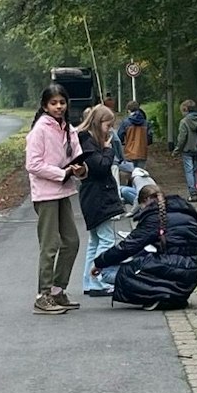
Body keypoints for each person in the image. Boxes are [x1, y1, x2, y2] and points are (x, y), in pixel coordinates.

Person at [24, 83, 88, 315]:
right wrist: (62, 173)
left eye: (62, 102)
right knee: (50, 245)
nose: (59, 106)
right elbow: (33, 165)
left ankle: (57, 290)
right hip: (46, 193)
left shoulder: (68, 128)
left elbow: (77, 156)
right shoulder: (40, 130)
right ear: (45, 106)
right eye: (54, 103)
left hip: (65, 191)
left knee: (71, 242)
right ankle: (43, 295)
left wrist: (80, 170)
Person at [91, 182, 197, 309]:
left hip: (173, 270)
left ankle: (159, 295)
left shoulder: (154, 217)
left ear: (146, 201)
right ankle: (172, 295)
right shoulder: (186, 213)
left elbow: (128, 247)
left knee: (107, 272)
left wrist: (100, 262)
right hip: (190, 273)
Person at [72, 104, 127, 296]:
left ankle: (89, 281)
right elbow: (102, 166)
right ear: (97, 123)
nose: (110, 130)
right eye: (108, 125)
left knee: (95, 240)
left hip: (93, 196)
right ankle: (98, 281)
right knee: (106, 240)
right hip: (98, 197)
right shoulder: (89, 142)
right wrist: (108, 149)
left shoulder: (86, 140)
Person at [114, 101, 152, 183]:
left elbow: (119, 137)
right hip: (142, 152)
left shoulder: (126, 122)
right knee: (141, 176)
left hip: (129, 152)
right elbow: (149, 138)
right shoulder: (146, 123)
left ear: (129, 110)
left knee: (130, 174)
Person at [174, 99, 197, 202]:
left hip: (187, 150)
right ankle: (196, 188)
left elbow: (182, 138)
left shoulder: (184, 122)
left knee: (189, 171)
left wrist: (177, 150)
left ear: (185, 109)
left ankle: (193, 193)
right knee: (196, 171)